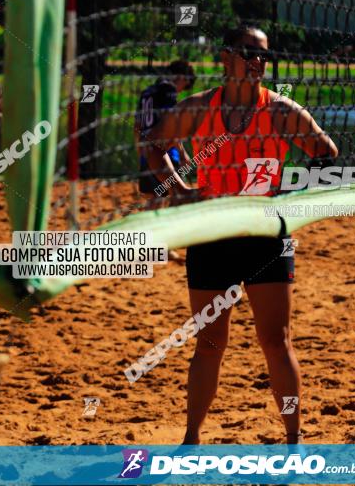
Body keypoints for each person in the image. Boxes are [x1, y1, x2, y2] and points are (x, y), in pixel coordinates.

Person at [143, 25, 339, 445]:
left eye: (264, 56)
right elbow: (154, 145)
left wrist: (294, 195)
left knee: (276, 341)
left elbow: (326, 152)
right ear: (224, 57)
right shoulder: (197, 108)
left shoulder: (282, 110)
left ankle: (294, 440)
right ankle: (191, 437)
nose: (258, 62)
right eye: (249, 53)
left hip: (265, 235)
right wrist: (179, 189)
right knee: (210, 343)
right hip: (213, 233)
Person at [134, 59, 195, 196]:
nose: (182, 90)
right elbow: (170, 126)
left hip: (146, 154)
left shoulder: (147, 92)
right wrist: (182, 153)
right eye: (185, 84)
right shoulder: (169, 90)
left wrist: (140, 151)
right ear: (182, 77)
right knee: (175, 197)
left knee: (153, 200)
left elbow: (137, 125)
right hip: (166, 156)